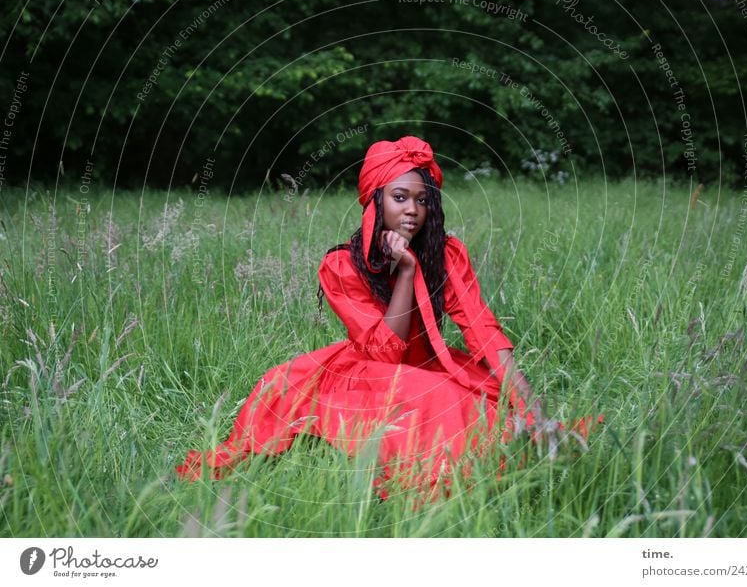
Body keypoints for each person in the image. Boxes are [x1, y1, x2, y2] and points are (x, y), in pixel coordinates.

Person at [177, 135, 600, 500]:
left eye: (422, 199)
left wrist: (534, 406)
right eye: (399, 197)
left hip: (426, 361)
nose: (412, 209)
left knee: (490, 397)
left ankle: (526, 442)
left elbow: (483, 331)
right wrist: (406, 272)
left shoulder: (448, 255)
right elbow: (385, 356)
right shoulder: (341, 266)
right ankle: (465, 468)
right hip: (367, 373)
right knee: (436, 397)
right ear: (376, 201)